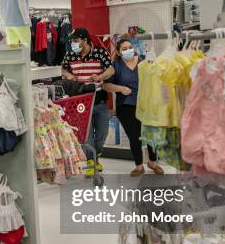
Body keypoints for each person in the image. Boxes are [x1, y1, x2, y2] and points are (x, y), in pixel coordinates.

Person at [102, 38, 164, 177]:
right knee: (134, 136)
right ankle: (138, 165)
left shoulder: (143, 61)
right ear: (118, 51)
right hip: (126, 105)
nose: (128, 50)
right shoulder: (115, 66)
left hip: (145, 104)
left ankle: (153, 162)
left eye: (130, 47)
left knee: (151, 133)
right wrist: (121, 88)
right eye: (124, 48)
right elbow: (105, 85)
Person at [61, 28, 112, 177]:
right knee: (87, 134)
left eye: (76, 40)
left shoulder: (100, 53)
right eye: (72, 40)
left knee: (102, 133)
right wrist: (70, 76)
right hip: (80, 101)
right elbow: (63, 70)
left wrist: (100, 75)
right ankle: (91, 161)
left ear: (85, 40)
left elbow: (111, 69)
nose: (73, 43)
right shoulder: (70, 55)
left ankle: (97, 156)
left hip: (99, 99)